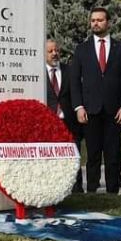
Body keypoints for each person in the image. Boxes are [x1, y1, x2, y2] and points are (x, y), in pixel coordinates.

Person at [70, 7, 121, 195]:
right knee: (93, 154)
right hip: (91, 110)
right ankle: (92, 193)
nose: (95, 23)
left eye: (100, 20)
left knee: (113, 154)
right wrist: (78, 106)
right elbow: (74, 81)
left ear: (108, 22)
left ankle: (113, 194)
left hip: (115, 111)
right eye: (93, 20)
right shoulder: (82, 50)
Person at [45, 39, 83, 193]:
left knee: (74, 157)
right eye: (50, 51)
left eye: (57, 50)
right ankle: (52, 190)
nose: (55, 54)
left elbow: (76, 93)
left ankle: (77, 189)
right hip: (48, 124)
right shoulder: (36, 74)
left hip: (69, 123)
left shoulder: (69, 70)